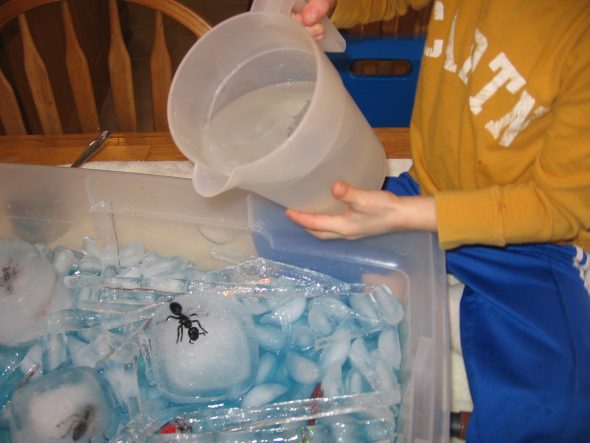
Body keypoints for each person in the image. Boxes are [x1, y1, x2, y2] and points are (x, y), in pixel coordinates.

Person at [287, 1, 590, 442]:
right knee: (289, 226)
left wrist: (400, 216)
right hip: (428, 188)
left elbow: (559, 208)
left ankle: (443, 299)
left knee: (559, 412)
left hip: (535, 244)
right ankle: (437, 296)